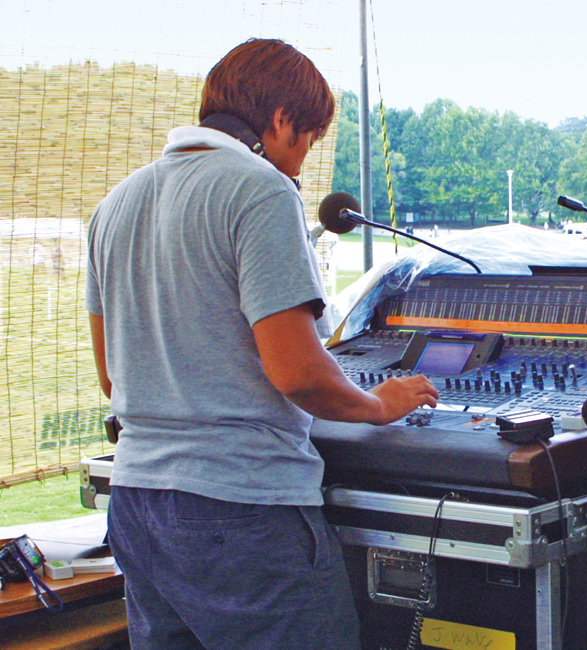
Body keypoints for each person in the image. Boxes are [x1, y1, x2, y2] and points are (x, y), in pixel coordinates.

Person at [86, 38, 439, 649]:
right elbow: (297, 372)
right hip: (241, 510)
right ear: (280, 121)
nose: (300, 164)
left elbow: (114, 378)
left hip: (138, 505)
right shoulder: (261, 189)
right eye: (305, 141)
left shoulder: (115, 204)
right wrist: (378, 404)